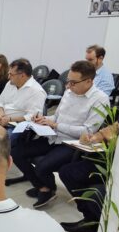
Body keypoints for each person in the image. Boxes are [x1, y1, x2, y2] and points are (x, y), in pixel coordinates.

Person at [11, 60, 110, 208]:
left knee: (42, 167)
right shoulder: (69, 92)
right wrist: (43, 119)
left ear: (89, 81)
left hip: (72, 143)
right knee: (16, 152)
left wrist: (56, 125)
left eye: (73, 82)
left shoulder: (100, 99)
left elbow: (89, 131)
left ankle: (48, 188)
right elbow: (56, 117)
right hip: (53, 136)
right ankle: (43, 187)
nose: (69, 85)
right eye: (68, 81)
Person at [58, 123, 119, 232]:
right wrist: (94, 137)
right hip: (108, 158)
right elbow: (113, 128)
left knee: (94, 190)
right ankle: (90, 219)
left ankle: (99, 225)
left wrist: (111, 139)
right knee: (67, 172)